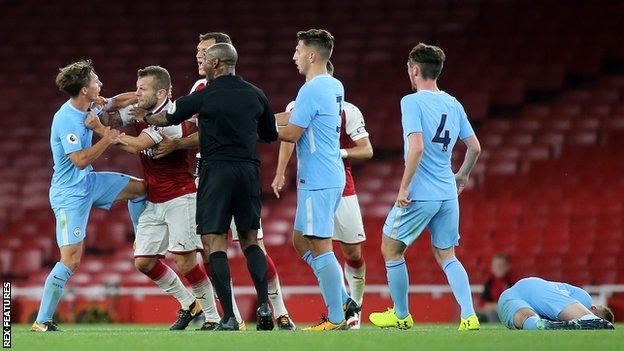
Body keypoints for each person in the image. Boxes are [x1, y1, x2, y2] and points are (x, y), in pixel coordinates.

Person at [152, 32, 295, 331]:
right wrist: (242, 134)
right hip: (247, 170)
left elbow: (168, 117)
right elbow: (270, 135)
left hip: (215, 171)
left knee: (213, 241)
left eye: (205, 58)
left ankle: (229, 315)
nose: (201, 62)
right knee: (251, 241)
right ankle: (265, 308)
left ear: (216, 63)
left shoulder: (205, 94)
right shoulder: (256, 93)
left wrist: (141, 113)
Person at [87, 65, 222, 330]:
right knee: (144, 262)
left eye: (143, 89)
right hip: (155, 197)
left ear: (161, 93)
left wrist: (101, 131)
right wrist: (108, 106)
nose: (138, 93)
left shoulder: (170, 118)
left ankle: (213, 317)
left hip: (181, 198)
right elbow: (114, 116)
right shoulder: (141, 110)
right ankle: (188, 303)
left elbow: (136, 145)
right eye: (137, 87)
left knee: (185, 260)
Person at [368, 43, 482, 331]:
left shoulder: (412, 102)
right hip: (447, 193)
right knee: (447, 256)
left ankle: (401, 314)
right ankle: (469, 316)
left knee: (391, 249)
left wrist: (403, 188)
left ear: (415, 70)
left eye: (409, 68)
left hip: (421, 192)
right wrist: (462, 176)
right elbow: (475, 147)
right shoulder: (453, 103)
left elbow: (416, 147)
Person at [31, 60, 146, 332]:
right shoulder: (66, 118)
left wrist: (144, 96)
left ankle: (142, 242)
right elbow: (80, 160)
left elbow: (115, 101)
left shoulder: (90, 105)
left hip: (90, 183)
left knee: (141, 189)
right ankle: (42, 321)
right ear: (84, 89)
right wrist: (106, 137)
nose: (100, 84)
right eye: (96, 81)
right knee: (70, 259)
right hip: (69, 194)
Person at [273, 60, 372, 329]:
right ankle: (343, 300)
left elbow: (366, 149)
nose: (294, 57)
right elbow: (290, 129)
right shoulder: (315, 96)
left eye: (298, 51)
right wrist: (281, 171)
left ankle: (340, 313)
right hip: (319, 179)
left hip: (330, 180)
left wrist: (257, 128)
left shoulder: (343, 107)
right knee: (300, 241)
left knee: (343, 249)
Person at [498, 277, 615, 330]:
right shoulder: (585, 300)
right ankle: (590, 319)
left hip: (505, 299)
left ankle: (536, 324)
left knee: (530, 321)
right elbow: (554, 299)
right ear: (593, 308)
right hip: (534, 288)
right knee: (585, 316)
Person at [477, 253, 514, 323]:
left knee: (493, 314)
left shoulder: (511, 285)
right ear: (492, 268)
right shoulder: (489, 284)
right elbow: (483, 305)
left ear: (507, 267)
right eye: (497, 266)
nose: (499, 268)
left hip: (506, 314)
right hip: (491, 313)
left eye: (502, 266)